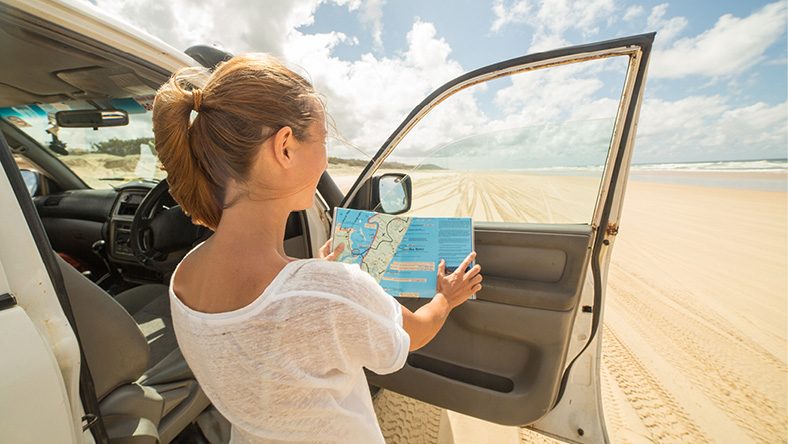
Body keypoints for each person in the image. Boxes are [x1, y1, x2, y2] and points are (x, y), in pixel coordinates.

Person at [152, 53, 482, 444]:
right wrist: (446, 297)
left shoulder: (184, 277)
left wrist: (314, 271)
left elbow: (266, 345)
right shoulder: (330, 290)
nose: (325, 157)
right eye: (323, 141)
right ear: (286, 147)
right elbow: (414, 335)